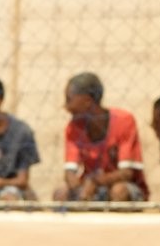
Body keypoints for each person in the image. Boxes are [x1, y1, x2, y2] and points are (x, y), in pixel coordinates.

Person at [53, 72, 148, 203]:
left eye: (69, 100)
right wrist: (75, 187)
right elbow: (70, 171)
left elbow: (126, 173)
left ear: (87, 101)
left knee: (119, 191)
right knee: (61, 193)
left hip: (122, 186)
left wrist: (95, 181)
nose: (66, 107)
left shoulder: (123, 120)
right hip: (90, 187)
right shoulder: (73, 127)